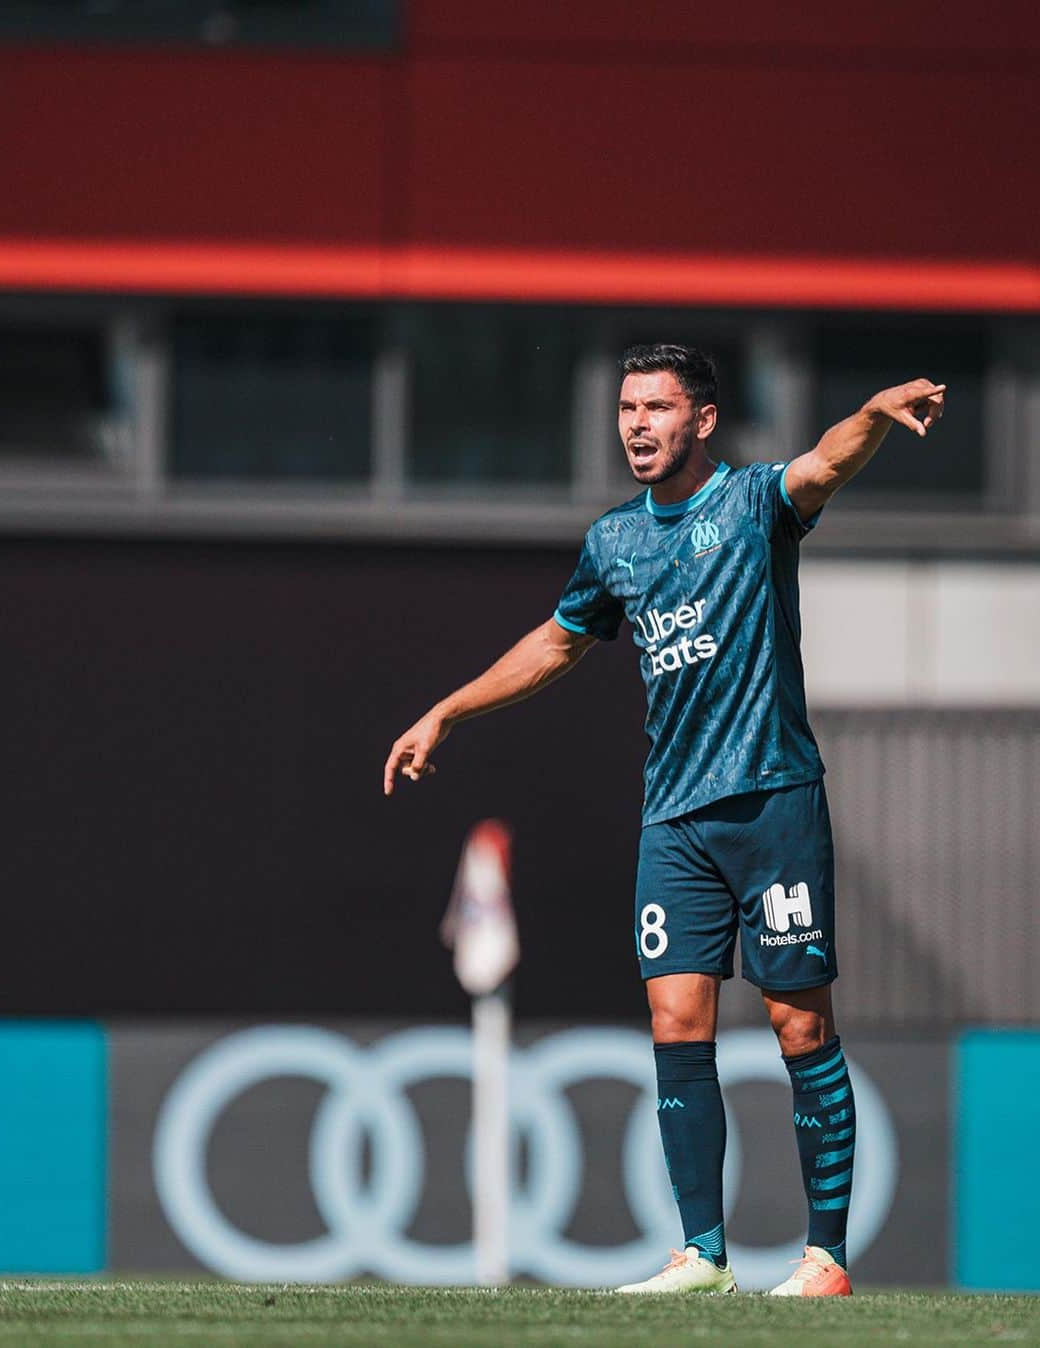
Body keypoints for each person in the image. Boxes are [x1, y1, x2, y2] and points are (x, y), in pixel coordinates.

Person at [383, 344, 945, 1297]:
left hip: (772, 801)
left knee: (798, 1026)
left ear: (704, 420)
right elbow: (554, 647)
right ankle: (703, 1255)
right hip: (675, 819)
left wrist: (876, 415)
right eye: (627, 409)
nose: (637, 424)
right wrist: (448, 709)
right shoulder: (614, 542)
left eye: (657, 407)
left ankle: (826, 1259)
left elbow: (824, 461)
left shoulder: (755, 504)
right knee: (675, 1018)